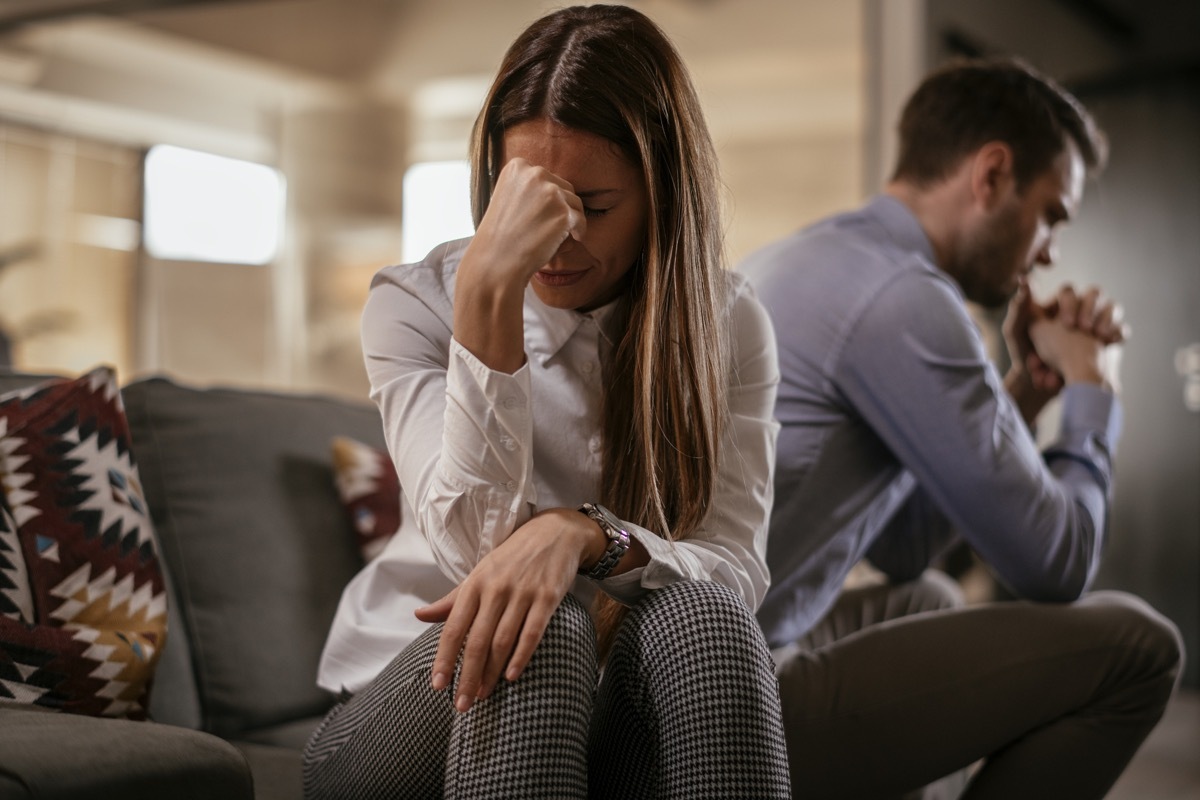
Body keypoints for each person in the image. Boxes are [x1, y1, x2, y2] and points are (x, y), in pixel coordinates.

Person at [303, 6, 790, 799]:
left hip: (605, 706)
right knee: (539, 626)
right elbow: (474, 552)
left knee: (710, 620)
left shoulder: (730, 325)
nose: (555, 242)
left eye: (592, 209)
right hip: (398, 714)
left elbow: (734, 568)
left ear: (661, 196)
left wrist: (584, 535)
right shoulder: (414, 304)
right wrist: (489, 295)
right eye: (529, 199)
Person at [738, 57, 1184, 799]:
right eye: (1052, 215)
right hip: (723, 700)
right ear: (991, 175)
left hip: (704, 646)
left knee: (928, 600)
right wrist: (1091, 387)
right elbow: (1057, 565)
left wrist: (1020, 395)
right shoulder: (905, 299)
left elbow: (906, 549)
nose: (1050, 251)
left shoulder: (814, 255)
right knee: (1141, 647)